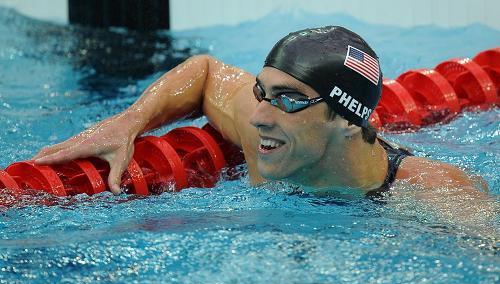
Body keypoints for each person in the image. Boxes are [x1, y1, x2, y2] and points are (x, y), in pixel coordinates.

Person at [32, 26, 494, 226]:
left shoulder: (428, 194)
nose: (258, 116)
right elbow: (207, 71)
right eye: (262, 91)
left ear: (349, 122)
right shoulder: (263, 133)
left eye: (289, 99)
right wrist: (129, 122)